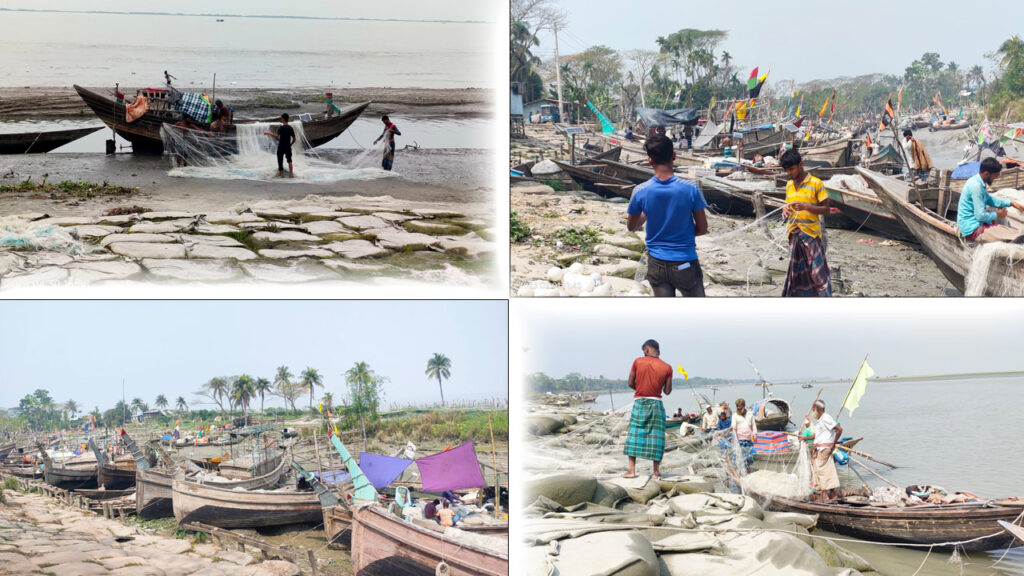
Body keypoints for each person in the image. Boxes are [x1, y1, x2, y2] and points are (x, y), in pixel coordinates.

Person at [626, 134, 709, 297]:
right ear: (674, 156)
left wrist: (647, 213)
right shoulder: (691, 188)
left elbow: (631, 226)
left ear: (649, 160)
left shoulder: (641, 191)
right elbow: (702, 229)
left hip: (656, 264)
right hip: (685, 264)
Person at [780, 149, 832, 296]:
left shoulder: (816, 183)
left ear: (800, 165)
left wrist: (806, 207)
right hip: (794, 234)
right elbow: (788, 206)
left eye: (792, 169)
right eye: (786, 170)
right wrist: (785, 210)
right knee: (796, 273)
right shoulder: (789, 185)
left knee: (818, 273)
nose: (789, 173)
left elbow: (827, 209)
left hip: (811, 235)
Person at [622, 339, 673, 479]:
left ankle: (631, 471)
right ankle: (656, 472)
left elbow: (630, 382)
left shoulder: (638, 361)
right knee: (656, 437)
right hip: (656, 403)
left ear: (646, 349)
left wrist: (640, 389)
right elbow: (667, 391)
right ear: (658, 351)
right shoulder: (667, 367)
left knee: (634, 434)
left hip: (640, 402)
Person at [957, 157, 1024, 243]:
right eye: (995, 175)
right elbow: (980, 216)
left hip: (975, 223)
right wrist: (997, 214)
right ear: (987, 174)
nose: (995, 178)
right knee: (1014, 235)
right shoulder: (976, 186)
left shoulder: (977, 181)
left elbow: (990, 200)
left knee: (1001, 219)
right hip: (972, 229)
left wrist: (1011, 203)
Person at [801, 400, 843, 502]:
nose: (813, 412)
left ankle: (825, 495)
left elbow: (839, 429)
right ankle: (832, 493)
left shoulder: (826, 418)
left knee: (820, 470)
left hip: (823, 449)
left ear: (818, 409)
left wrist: (833, 443)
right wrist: (805, 438)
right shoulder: (820, 420)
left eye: (814, 409)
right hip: (822, 448)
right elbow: (817, 435)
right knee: (828, 469)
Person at [264, 114, 296, 178]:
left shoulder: (281, 127)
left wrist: (268, 133)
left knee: (280, 160)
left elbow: (276, 135)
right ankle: (291, 174)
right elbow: (294, 139)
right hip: (287, 147)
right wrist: (290, 144)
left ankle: (281, 175)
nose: (281, 119)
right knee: (289, 160)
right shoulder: (290, 128)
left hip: (281, 146)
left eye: (281, 118)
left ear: (283, 119)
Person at [730, 398, 757, 468]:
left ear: (744, 405)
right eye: (737, 406)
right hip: (740, 440)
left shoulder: (750, 414)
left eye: (739, 406)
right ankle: (739, 471)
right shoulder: (735, 415)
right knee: (739, 457)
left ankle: (747, 469)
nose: (738, 408)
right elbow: (734, 427)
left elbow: (753, 425)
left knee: (749, 458)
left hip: (749, 439)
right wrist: (734, 438)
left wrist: (755, 435)